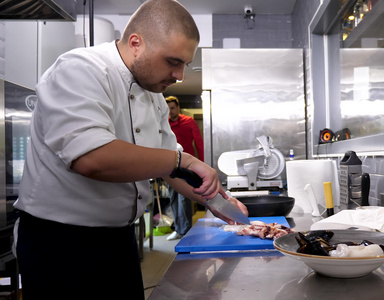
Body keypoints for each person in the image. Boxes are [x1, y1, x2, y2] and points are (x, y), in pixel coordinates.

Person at [12, 1, 247, 299]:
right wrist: (181, 158)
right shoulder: (81, 70)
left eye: (184, 64)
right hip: (60, 241)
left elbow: (167, 163)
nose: (180, 75)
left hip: (118, 238)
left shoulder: (153, 96)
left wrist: (218, 200)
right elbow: (92, 158)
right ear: (136, 43)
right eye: (173, 61)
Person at [165, 96, 204, 240]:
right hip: (169, 165)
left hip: (186, 166)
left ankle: (185, 230)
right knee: (173, 197)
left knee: (184, 197)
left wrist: (202, 164)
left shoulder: (189, 122)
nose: (170, 111)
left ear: (178, 108)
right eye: (168, 108)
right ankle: (179, 228)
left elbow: (199, 143)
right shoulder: (164, 124)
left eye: (173, 108)